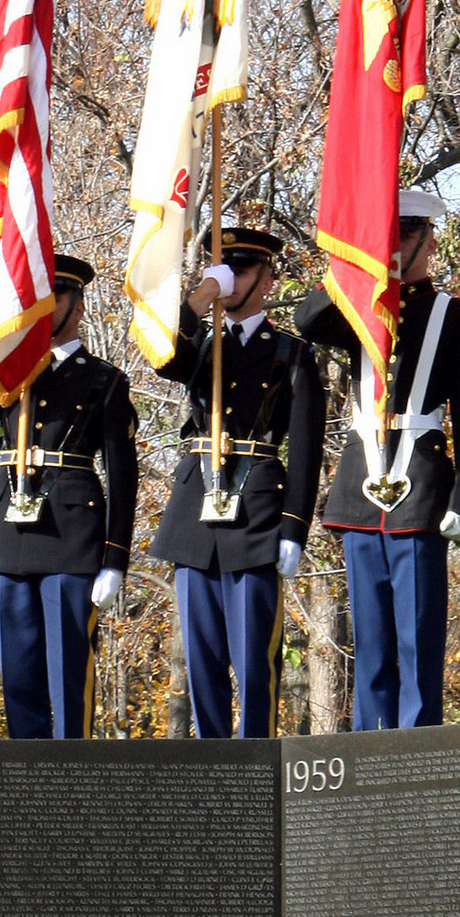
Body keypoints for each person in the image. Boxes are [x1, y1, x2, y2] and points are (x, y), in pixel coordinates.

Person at [295, 191, 460, 729]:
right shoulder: (359, 305)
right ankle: (368, 750)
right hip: (362, 486)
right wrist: (356, 262)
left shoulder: (457, 316)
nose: (397, 246)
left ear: (430, 241)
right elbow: (308, 320)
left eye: (405, 236)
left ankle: (418, 751)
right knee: (372, 643)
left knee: (417, 640)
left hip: (421, 487)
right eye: (388, 236)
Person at [0, 255, 138, 739]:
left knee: (69, 673)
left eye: (54, 297)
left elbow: (122, 475)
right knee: (17, 678)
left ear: (78, 306)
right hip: (6, 531)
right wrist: (6, 310)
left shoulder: (104, 380)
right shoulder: (9, 369)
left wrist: (115, 558)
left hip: (71, 535)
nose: (43, 307)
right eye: (37, 297)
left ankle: (70, 772)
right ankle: (25, 775)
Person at [149, 220, 326, 739]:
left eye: (240, 270)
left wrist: (294, 528)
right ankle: (211, 768)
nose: (229, 277)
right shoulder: (199, 344)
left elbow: (306, 449)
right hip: (194, 513)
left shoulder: (291, 353)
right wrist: (204, 292)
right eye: (222, 267)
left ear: (267, 280)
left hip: (255, 515)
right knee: (200, 665)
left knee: (254, 664)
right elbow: (161, 351)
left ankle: (255, 765)